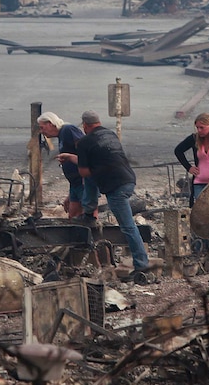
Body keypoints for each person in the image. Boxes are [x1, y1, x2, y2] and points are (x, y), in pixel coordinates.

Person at [60, 110, 150, 282]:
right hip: (128, 178)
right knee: (92, 178)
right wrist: (73, 157)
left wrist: (76, 161)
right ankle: (88, 213)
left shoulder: (85, 142)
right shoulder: (110, 134)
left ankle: (141, 264)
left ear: (85, 126)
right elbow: (103, 160)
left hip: (116, 187)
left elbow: (84, 171)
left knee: (128, 226)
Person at [37, 111, 98, 218]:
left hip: (82, 181)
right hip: (74, 183)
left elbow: (85, 148)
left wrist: (86, 175)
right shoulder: (62, 135)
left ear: (50, 123)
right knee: (73, 215)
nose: (41, 131)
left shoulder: (67, 129)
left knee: (89, 214)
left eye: (42, 127)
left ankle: (95, 233)